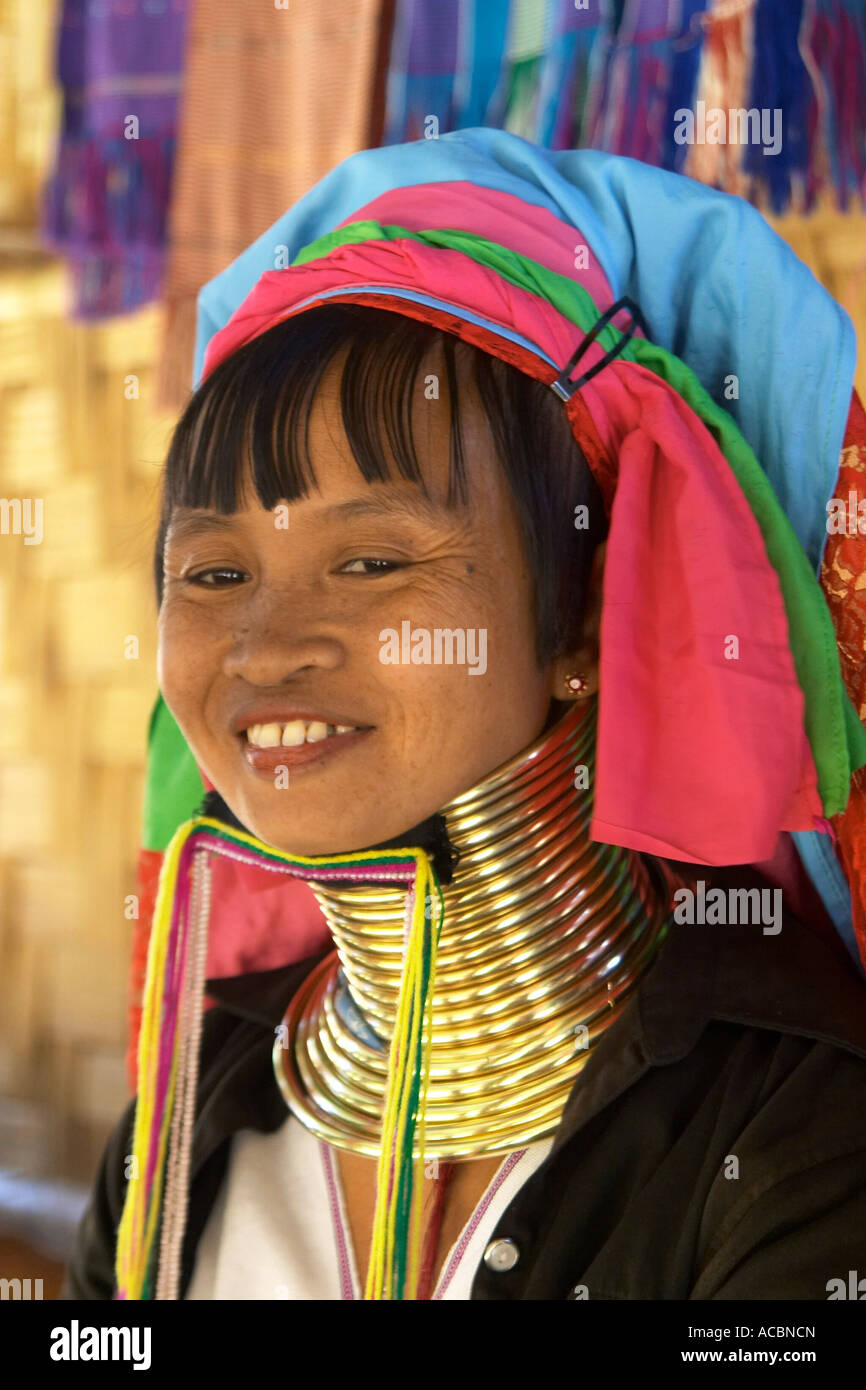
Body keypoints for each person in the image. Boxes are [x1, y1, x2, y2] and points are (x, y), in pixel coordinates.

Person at [62, 129, 866, 1302]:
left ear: (585, 618)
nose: (265, 648)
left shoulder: (796, 1133)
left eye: (374, 559)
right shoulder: (189, 1116)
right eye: (214, 573)